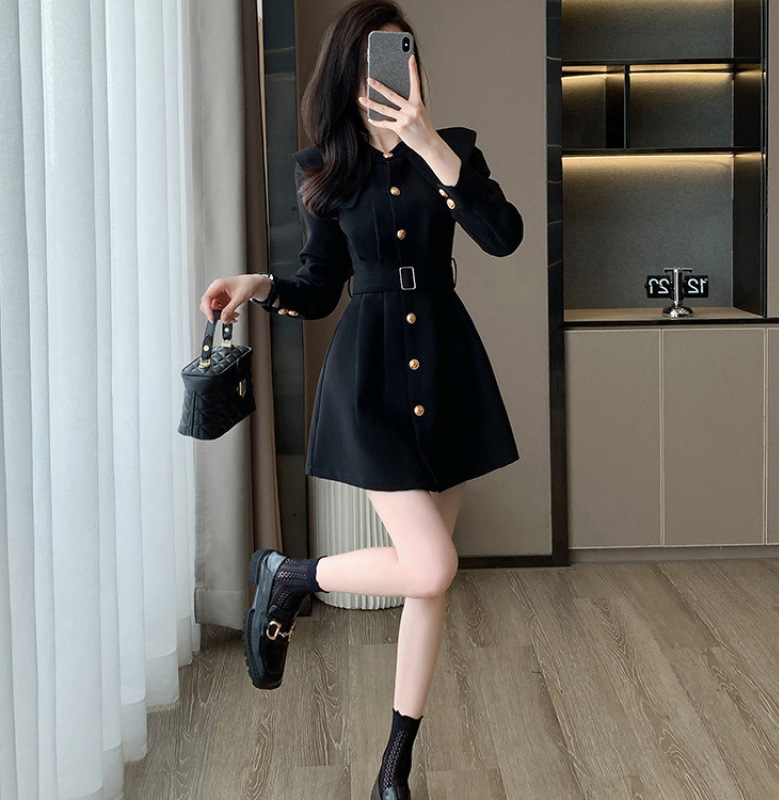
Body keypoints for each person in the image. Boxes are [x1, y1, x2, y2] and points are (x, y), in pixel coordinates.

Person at [200, 2, 523, 798]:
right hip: (370, 378)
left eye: (402, 56)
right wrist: (260, 284)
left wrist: (429, 143)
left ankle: (392, 770)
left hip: (447, 370)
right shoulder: (326, 169)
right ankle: (291, 574)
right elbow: (320, 288)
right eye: (377, 60)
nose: (392, 74)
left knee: (426, 581)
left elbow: (504, 236)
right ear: (349, 72)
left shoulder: (453, 151)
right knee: (432, 564)